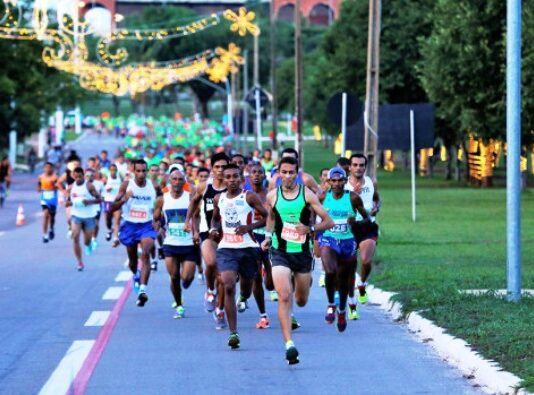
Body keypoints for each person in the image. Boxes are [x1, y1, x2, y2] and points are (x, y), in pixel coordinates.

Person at [261, 156, 334, 364]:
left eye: (291, 172)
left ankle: (303, 281)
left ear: (297, 173)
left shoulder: (307, 195)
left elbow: (328, 221)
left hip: (302, 253)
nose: (287, 176)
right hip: (279, 251)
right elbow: (271, 218)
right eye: (283, 172)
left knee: (300, 300)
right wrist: (267, 237)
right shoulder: (273, 196)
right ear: (278, 174)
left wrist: (310, 229)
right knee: (284, 296)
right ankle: (289, 345)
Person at [210, 163, 267, 349]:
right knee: (227, 284)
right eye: (228, 177)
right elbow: (216, 218)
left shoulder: (249, 196)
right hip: (226, 248)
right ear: (223, 179)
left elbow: (268, 217)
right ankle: (233, 332)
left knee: (246, 288)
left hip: (249, 248)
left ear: (241, 178)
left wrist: (248, 228)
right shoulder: (218, 198)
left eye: (235, 176)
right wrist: (213, 228)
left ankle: (243, 297)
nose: (232, 180)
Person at [319, 167, 369, 330]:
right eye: (333, 180)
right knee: (330, 272)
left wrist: (355, 222)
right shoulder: (322, 197)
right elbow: (311, 215)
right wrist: (314, 234)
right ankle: (331, 305)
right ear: (328, 182)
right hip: (329, 239)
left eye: (340, 180)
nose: (337, 183)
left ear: (345, 181)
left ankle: (341, 311)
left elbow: (366, 219)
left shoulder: (353, 198)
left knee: (343, 282)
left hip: (347, 242)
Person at [185, 153, 229, 329]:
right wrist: (188, 222)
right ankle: (210, 290)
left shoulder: (233, 188)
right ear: (212, 168)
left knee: (224, 278)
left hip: (228, 235)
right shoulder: (204, 187)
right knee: (210, 263)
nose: (220, 170)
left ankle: (220, 311)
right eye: (217, 167)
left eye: (224, 167)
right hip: (206, 233)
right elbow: (194, 204)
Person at [112, 159, 158, 307]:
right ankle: (136, 275)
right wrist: (125, 197)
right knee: (133, 261)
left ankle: (142, 291)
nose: (141, 174)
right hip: (130, 225)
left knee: (145, 253)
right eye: (138, 171)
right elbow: (113, 207)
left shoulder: (154, 186)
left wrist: (159, 221)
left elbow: (161, 206)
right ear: (133, 171)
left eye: (144, 171)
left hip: (146, 225)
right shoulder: (126, 185)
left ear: (147, 171)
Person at [153, 167, 198, 319]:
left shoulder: (190, 197)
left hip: (188, 244)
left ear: (184, 181)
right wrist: (158, 227)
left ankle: (184, 285)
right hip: (170, 243)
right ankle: (179, 305)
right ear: (169, 181)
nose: (177, 182)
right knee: (174, 277)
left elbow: (196, 216)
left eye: (180, 179)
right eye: (174, 179)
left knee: (187, 278)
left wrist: (196, 231)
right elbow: (156, 218)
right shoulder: (162, 199)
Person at [345, 154, 381, 317]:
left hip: (368, 226)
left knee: (366, 261)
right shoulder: (342, 184)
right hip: (349, 229)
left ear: (365, 167)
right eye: (355, 165)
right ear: (350, 167)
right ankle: (352, 305)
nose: (358, 168)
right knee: (349, 268)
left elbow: (376, 199)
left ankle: (362, 284)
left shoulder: (371, 182)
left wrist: (376, 207)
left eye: (361, 165)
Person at [246, 163, 277, 328]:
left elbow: (273, 217)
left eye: (260, 172)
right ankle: (263, 315)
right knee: (255, 276)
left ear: (264, 176)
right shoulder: (244, 195)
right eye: (253, 172)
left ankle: (269, 275)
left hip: (269, 236)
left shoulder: (270, 195)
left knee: (271, 283)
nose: (256, 175)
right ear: (249, 176)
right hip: (251, 238)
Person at [67, 167, 101, 271]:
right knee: (75, 237)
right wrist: (68, 203)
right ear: (73, 176)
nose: (78, 179)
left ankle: (88, 244)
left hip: (89, 217)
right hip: (76, 215)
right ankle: (79, 262)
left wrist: (89, 202)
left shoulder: (89, 186)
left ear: (83, 175)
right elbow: (68, 201)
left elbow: (100, 199)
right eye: (75, 177)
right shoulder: (71, 187)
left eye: (80, 176)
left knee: (86, 241)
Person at [38, 162, 59, 243]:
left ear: (52, 169)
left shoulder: (55, 177)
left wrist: (54, 184)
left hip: (53, 198)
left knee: (52, 217)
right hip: (44, 198)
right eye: (46, 167)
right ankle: (45, 235)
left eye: (49, 167)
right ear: (43, 168)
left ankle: (51, 229)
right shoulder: (40, 177)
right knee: (45, 214)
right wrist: (40, 188)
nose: (47, 169)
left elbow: (59, 186)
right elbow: (38, 187)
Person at [102, 163, 122, 246]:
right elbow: (101, 187)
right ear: (109, 170)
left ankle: (115, 238)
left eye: (114, 170)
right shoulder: (106, 178)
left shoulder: (120, 177)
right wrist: (106, 189)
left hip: (117, 201)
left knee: (117, 221)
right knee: (108, 219)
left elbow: (123, 186)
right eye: (111, 170)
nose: (113, 172)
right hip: (108, 201)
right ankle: (110, 229)